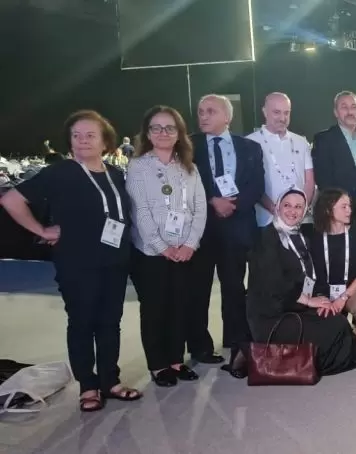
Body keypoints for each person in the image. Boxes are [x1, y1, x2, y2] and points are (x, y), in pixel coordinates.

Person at [0, 110, 141, 411]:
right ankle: (88, 387)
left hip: (115, 260)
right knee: (82, 323)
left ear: (105, 141)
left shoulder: (115, 174)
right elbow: (11, 200)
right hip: (77, 263)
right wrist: (41, 230)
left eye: (90, 135)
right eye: (76, 135)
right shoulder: (61, 172)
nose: (82, 140)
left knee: (110, 323)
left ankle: (110, 380)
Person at [125, 106, 207, 387]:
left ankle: (175, 360)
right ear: (147, 133)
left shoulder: (189, 167)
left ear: (179, 133)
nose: (163, 133)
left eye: (170, 128)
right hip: (151, 253)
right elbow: (140, 211)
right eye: (156, 128)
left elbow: (200, 208)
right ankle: (158, 365)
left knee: (180, 306)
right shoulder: (138, 166)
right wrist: (162, 247)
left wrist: (190, 244)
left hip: (184, 251)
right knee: (155, 309)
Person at [246, 189, 356, 376]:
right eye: (287, 205)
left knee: (337, 320)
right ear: (277, 207)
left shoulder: (300, 235)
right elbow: (274, 284)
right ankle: (307, 365)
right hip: (272, 314)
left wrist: (320, 298)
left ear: (304, 211)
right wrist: (309, 301)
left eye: (298, 207)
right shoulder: (266, 238)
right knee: (332, 328)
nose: (292, 211)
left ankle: (313, 360)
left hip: (295, 305)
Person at [190, 94, 266, 371]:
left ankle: (235, 342)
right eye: (201, 111)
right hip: (201, 228)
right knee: (198, 289)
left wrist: (233, 205)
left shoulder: (249, 147)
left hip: (237, 226)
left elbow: (257, 185)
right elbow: (185, 183)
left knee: (234, 287)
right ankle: (199, 346)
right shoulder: (188, 146)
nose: (203, 116)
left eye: (210, 111)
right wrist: (213, 201)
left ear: (227, 116)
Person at [311, 91, 356, 243]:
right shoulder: (325, 140)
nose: (350, 111)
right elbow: (323, 178)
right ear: (335, 112)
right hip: (339, 208)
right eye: (344, 107)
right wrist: (335, 206)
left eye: (353, 107)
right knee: (342, 251)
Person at [305, 188, 356, 349]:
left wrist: (343, 297)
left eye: (349, 206)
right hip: (322, 291)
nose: (349, 210)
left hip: (349, 291)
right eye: (344, 207)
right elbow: (309, 272)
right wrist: (318, 298)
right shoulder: (314, 235)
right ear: (328, 210)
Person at [248, 92, 314, 228]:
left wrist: (300, 209)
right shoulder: (250, 142)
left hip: (299, 221)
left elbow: (309, 181)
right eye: (277, 112)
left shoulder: (301, 142)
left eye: (286, 113)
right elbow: (252, 184)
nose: (282, 118)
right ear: (265, 112)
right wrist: (276, 211)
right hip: (266, 221)